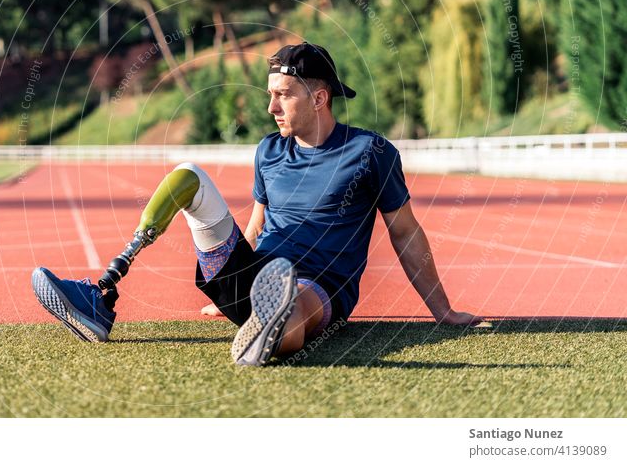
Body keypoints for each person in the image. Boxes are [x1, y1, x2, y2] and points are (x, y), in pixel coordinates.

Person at [31, 42, 484, 366]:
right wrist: (227, 285)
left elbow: (405, 231)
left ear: (319, 98)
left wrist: (441, 310)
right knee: (187, 177)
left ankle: (268, 324)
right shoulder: (269, 151)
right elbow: (256, 224)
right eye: (270, 94)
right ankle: (102, 296)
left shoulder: (370, 153)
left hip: (320, 285)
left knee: (294, 299)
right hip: (254, 271)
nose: (271, 107)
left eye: (282, 95)